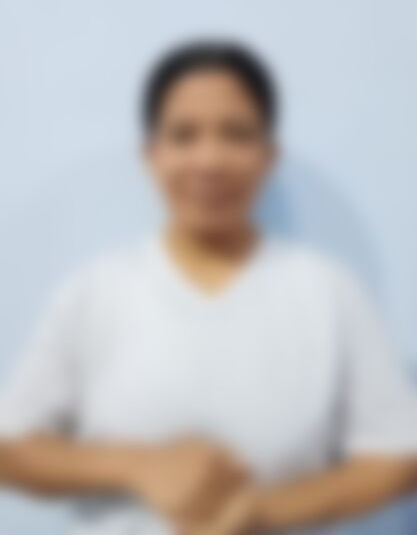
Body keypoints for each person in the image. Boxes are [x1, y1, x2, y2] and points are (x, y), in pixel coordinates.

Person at [0, 42, 417, 535]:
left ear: (269, 155)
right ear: (151, 156)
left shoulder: (328, 291)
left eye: (236, 134)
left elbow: (399, 456)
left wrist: (262, 511)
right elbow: (10, 448)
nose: (210, 160)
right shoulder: (94, 291)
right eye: (184, 135)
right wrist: (140, 465)